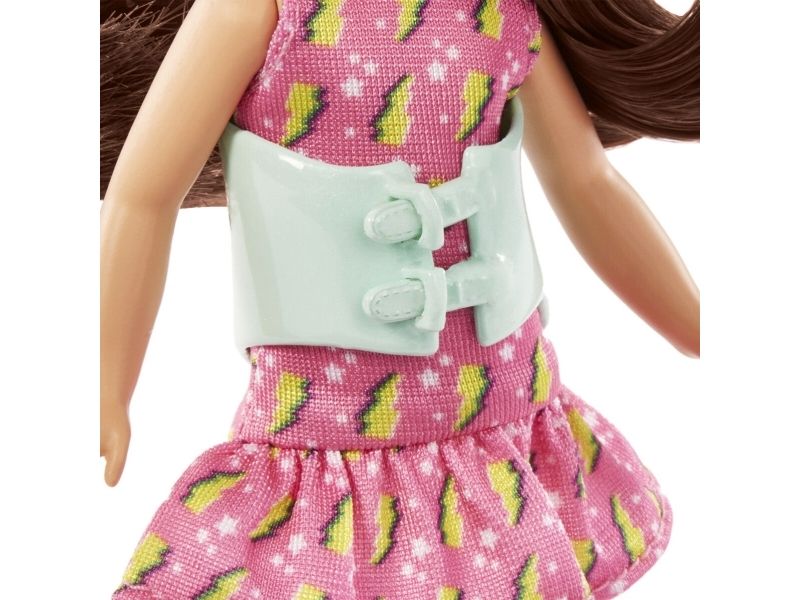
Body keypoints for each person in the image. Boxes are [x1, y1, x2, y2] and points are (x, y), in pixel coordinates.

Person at [100, 0, 700, 597]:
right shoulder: (255, 11)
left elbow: (587, 180)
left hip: (506, 422)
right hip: (328, 435)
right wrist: (106, 385)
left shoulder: (503, 12)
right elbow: (142, 197)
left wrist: (699, 327)